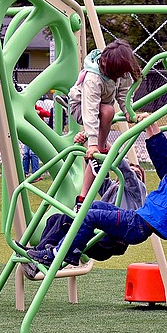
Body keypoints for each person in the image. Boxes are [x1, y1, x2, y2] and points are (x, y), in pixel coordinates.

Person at [27, 113, 167, 268]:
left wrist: (155, 126)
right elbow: (160, 160)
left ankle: (62, 253)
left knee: (88, 216)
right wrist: (149, 130)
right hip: (136, 221)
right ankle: (54, 251)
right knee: (93, 207)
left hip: (137, 225)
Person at [68, 39, 141, 207]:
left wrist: (129, 113)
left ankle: (82, 199)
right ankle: (97, 146)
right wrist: (93, 143)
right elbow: (90, 110)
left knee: (107, 115)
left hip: (100, 111)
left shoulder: (120, 74)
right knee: (107, 113)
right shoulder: (94, 77)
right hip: (81, 107)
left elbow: (123, 95)